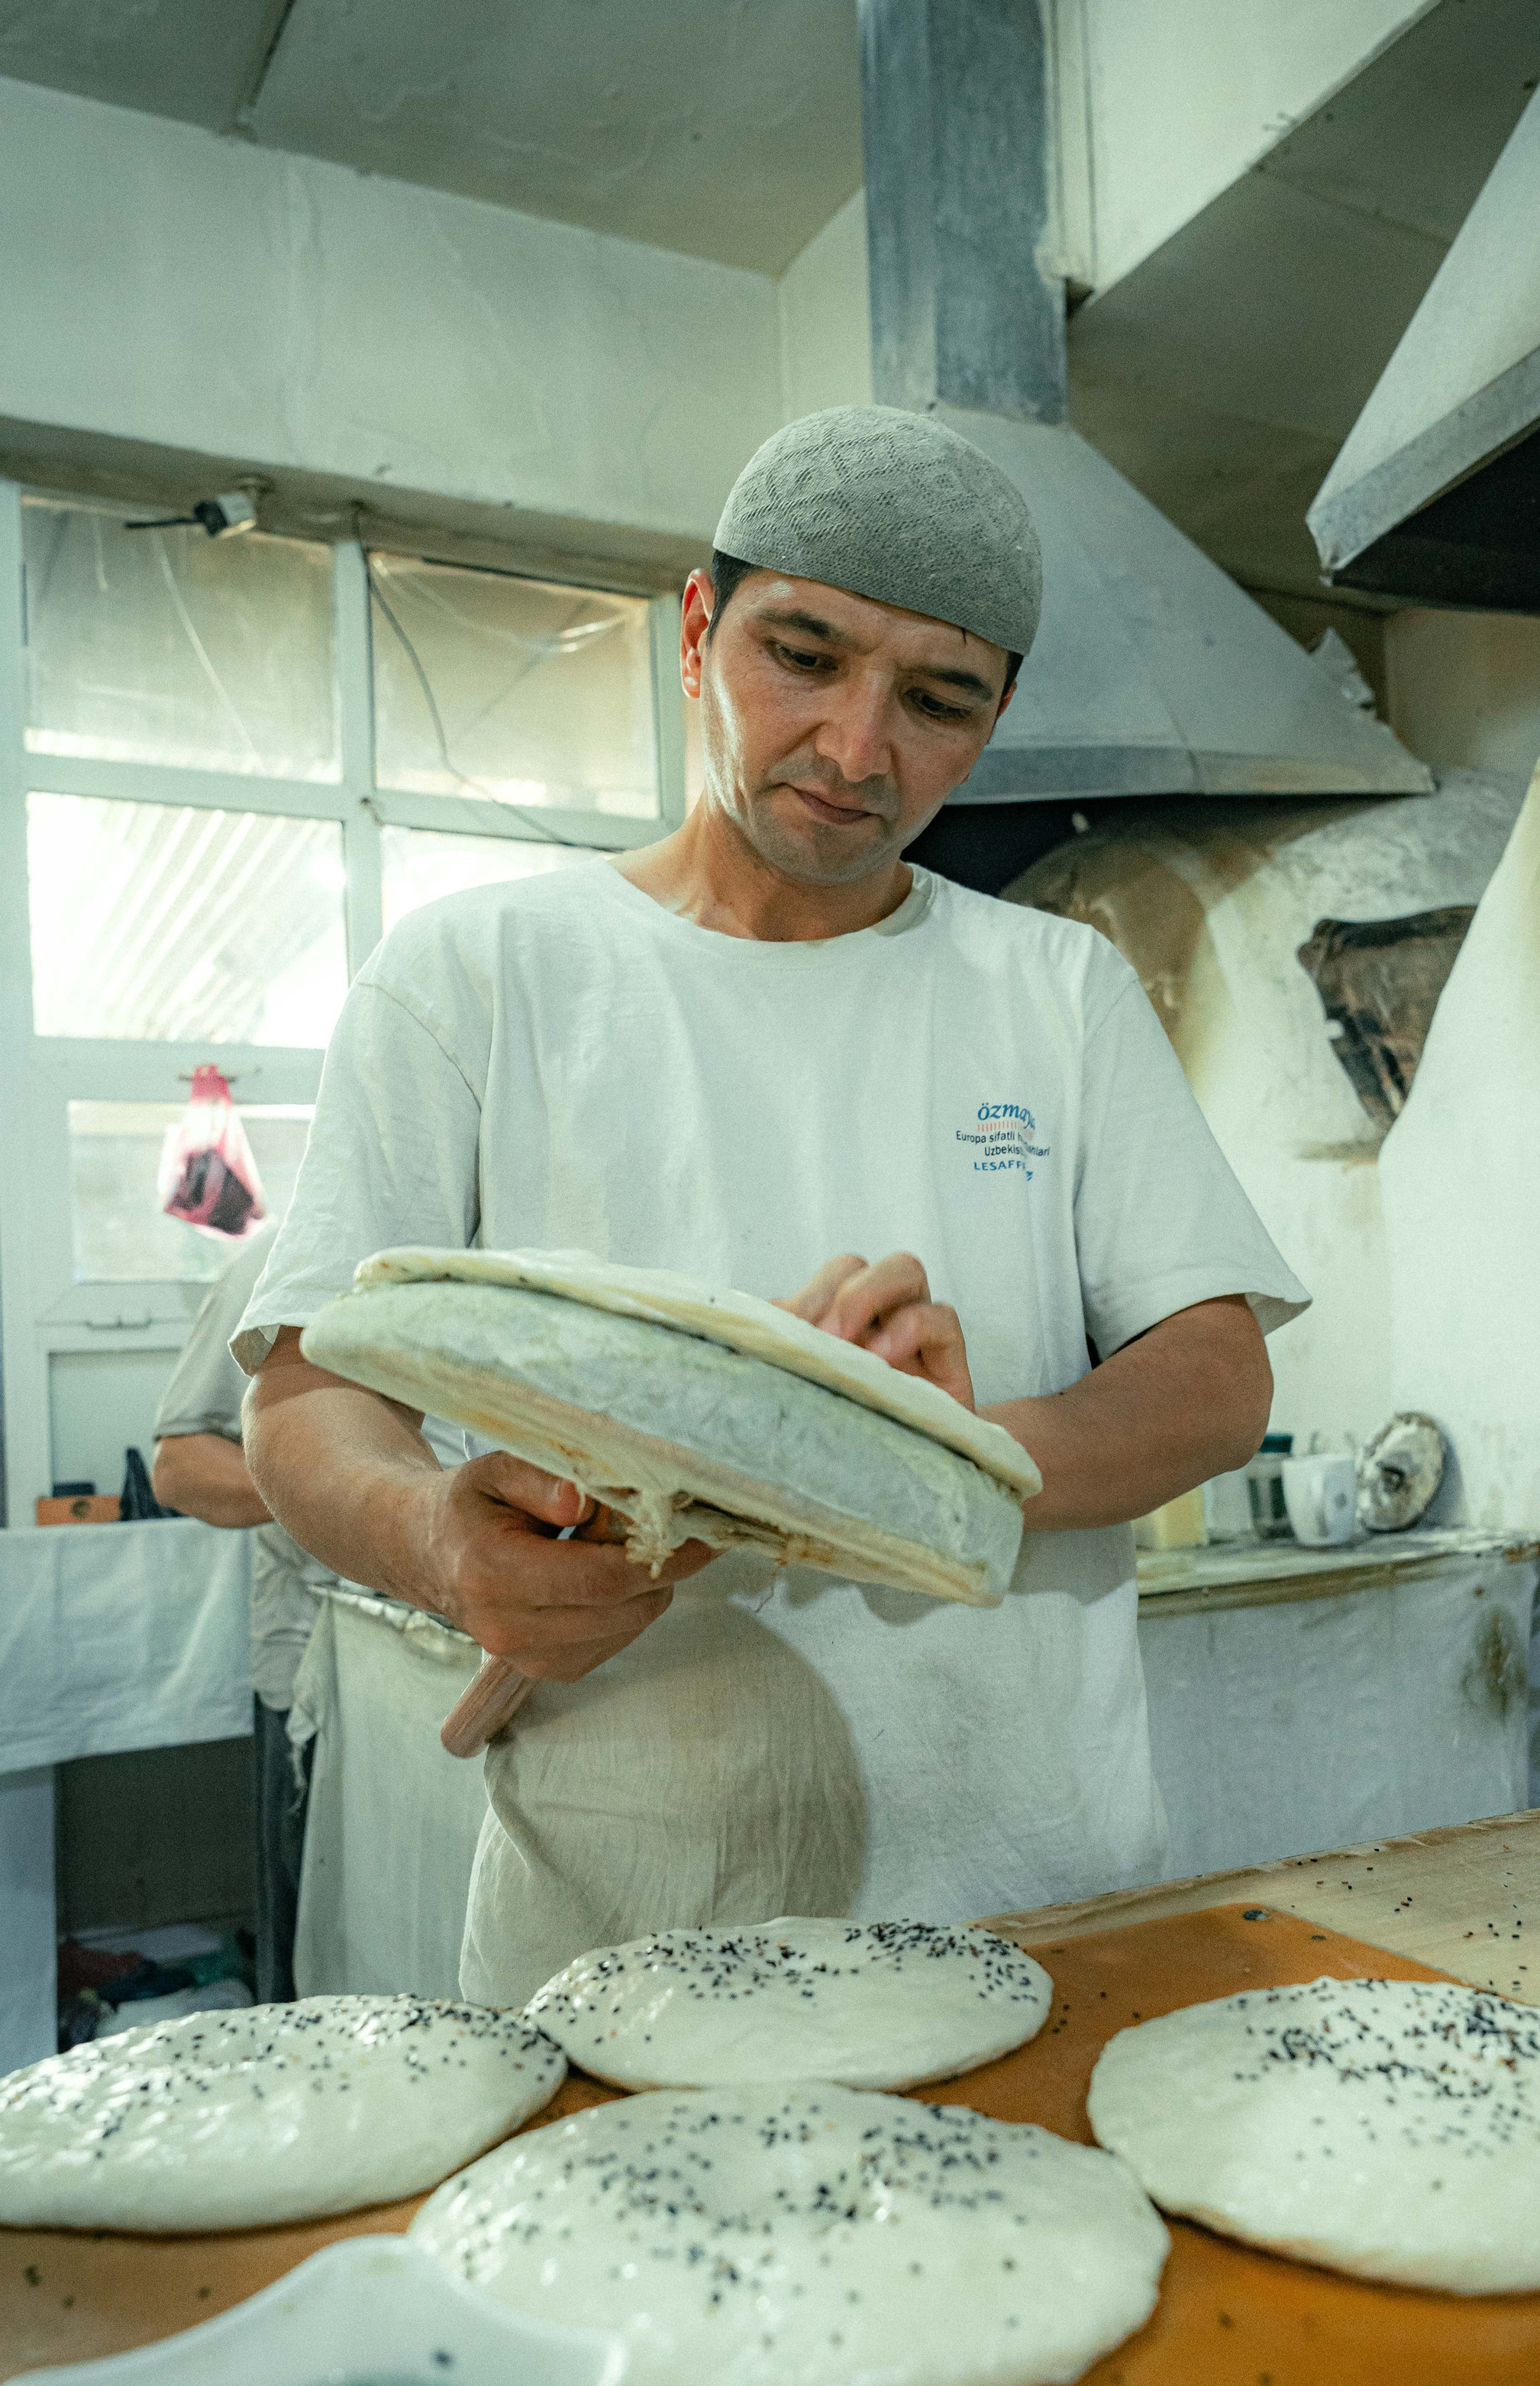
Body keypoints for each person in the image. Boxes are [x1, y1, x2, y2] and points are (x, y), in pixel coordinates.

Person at [236, 403, 1306, 2001]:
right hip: (625, 1916)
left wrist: (944, 1463)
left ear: (994, 721)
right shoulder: (480, 975)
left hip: (1024, 1893)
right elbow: (304, 1394)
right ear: (694, 629)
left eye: (936, 700)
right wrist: (442, 1551)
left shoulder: (1051, 989)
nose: (859, 749)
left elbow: (1216, 1381)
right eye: (801, 658)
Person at [152, 1218, 331, 2003]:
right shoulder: (279, 1259)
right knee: (309, 1944)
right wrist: (368, 1496)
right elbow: (181, 1465)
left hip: (465, 1657)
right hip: (316, 1675)